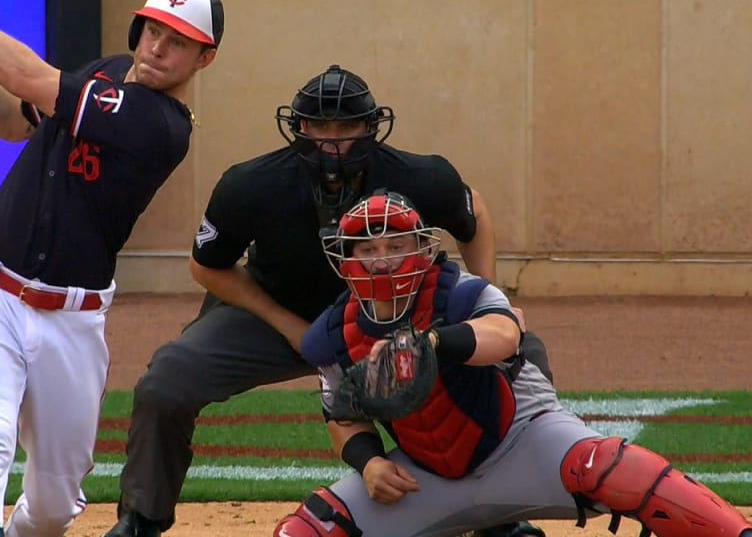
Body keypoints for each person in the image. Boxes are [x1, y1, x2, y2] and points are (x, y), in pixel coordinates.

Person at [105, 65, 550, 537]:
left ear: (371, 129)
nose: (331, 141)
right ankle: (142, 518)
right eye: (319, 127)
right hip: (278, 306)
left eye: (346, 128)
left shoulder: (420, 174)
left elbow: (472, 211)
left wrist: (488, 298)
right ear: (299, 128)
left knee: (520, 350)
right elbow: (206, 265)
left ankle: (504, 513)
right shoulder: (250, 183)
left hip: (397, 314)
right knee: (169, 379)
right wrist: (287, 324)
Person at [0, 0, 223, 537]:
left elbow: (27, 75)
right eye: (152, 30)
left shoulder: (162, 126)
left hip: (73, 320)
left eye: (177, 41)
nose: (156, 47)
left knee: (53, 505)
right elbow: (11, 121)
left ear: (204, 57)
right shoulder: (105, 71)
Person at [274, 191, 752, 537]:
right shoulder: (332, 334)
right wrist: (369, 462)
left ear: (423, 249)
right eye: (368, 248)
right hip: (424, 473)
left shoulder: (461, 291)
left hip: (520, 437)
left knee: (607, 467)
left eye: (397, 245)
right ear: (346, 258)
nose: (382, 260)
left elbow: (505, 334)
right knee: (309, 527)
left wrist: (428, 344)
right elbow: (341, 414)